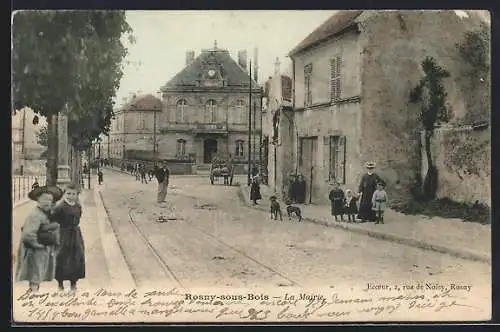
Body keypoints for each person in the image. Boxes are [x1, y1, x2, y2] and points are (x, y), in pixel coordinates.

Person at [15, 186, 63, 292]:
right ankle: (33, 293)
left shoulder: (45, 214)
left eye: (50, 199)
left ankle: (33, 291)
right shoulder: (35, 215)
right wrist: (39, 245)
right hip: (34, 251)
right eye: (44, 199)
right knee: (35, 274)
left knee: (38, 273)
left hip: (40, 251)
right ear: (38, 200)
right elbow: (28, 235)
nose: (47, 202)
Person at [51, 183, 85, 292]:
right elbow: (53, 219)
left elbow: (78, 217)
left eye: (73, 194)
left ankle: (73, 282)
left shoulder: (78, 206)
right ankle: (60, 283)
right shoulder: (59, 207)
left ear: (77, 195)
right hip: (63, 234)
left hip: (75, 234)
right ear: (64, 194)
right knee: (61, 256)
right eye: (68, 193)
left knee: (76, 256)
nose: (71, 196)